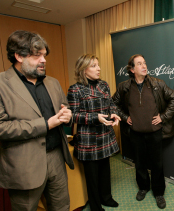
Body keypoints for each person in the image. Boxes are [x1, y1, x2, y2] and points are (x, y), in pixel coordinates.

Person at [0, 30, 74, 211]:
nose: (44, 60)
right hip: (24, 164)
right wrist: (46, 125)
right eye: (37, 55)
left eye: (44, 55)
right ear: (18, 56)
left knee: (62, 207)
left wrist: (68, 115)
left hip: (56, 158)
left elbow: (65, 108)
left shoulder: (52, 82)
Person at [112, 54, 174, 209]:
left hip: (155, 132)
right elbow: (113, 103)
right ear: (132, 69)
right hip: (135, 132)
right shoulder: (124, 86)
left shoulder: (158, 84)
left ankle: (159, 192)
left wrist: (163, 117)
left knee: (157, 164)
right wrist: (124, 117)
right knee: (140, 163)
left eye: (145, 63)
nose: (144, 66)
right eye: (139, 64)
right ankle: (143, 187)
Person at [67, 54, 121, 211]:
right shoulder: (75, 89)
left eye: (98, 65)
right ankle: (96, 207)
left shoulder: (103, 85)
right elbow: (73, 115)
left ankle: (107, 197)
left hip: (105, 134)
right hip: (88, 139)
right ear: (83, 70)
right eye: (94, 66)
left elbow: (111, 103)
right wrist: (94, 117)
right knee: (92, 176)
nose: (99, 68)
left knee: (105, 170)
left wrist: (114, 113)